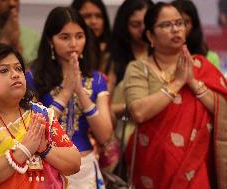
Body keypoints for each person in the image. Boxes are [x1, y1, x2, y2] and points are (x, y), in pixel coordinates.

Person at [0, 43, 81, 189]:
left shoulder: (40, 115)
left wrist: (45, 149)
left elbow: (74, 163)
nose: (15, 74)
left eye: (18, 68)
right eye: (4, 70)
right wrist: (22, 152)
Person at [123, 2, 227, 188]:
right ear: (150, 36)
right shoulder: (139, 68)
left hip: (195, 166)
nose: (175, 29)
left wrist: (193, 83)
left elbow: (223, 110)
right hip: (153, 166)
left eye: (179, 23)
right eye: (166, 25)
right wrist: (177, 83)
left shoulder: (201, 66)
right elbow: (138, 112)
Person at [26, 7, 113, 189]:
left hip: (86, 167)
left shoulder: (96, 79)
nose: (73, 43)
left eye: (79, 36)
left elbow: (105, 136)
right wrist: (66, 93)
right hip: (48, 167)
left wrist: (80, 91)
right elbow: (34, 131)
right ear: (50, 40)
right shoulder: (33, 78)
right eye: (65, 37)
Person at [110, 0, 153, 147]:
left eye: (146, 23)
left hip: (157, 137)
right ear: (124, 26)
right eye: (135, 25)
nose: (142, 29)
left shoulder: (164, 56)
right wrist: (134, 108)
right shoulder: (113, 59)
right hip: (122, 141)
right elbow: (104, 107)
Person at [0, 0, 39, 67]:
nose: (12, 3)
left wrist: (17, 47)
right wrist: (4, 41)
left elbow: (34, 74)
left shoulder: (33, 37)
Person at [172, 0, 221, 69]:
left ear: (194, 25)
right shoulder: (160, 56)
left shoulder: (210, 58)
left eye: (186, 22)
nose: (181, 28)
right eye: (177, 22)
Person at [71, 0, 112, 78]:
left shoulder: (113, 52)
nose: (93, 21)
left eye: (98, 16)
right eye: (87, 16)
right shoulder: (70, 49)